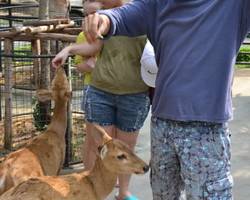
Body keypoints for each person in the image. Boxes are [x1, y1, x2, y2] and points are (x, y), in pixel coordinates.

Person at [80, 1, 250, 199]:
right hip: (163, 125)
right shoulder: (158, 4)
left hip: (208, 127)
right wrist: (102, 18)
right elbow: (120, 16)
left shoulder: (234, 5)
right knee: (164, 195)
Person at [52, 1, 151, 199]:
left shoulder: (146, 11)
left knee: (126, 148)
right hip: (100, 91)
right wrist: (69, 50)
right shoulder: (106, 15)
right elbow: (95, 44)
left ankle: (124, 193)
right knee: (96, 145)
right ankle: (90, 192)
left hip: (135, 94)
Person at [74, 0, 103, 171]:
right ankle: (88, 174)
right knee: (92, 136)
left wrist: (96, 64)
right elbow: (79, 65)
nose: (88, 19)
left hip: (111, 88)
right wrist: (92, 65)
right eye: (85, 14)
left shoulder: (113, 33)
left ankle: (107, 174)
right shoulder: (82, 35)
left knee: (110, 135)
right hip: (91, 87)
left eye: (93, 13)